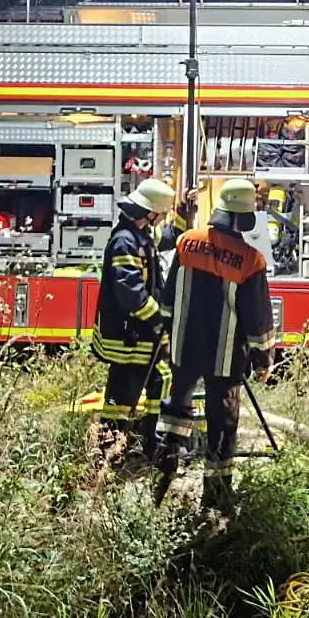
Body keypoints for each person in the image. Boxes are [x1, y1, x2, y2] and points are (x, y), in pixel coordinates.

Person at [153, 178, 277, 512]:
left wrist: (165, 332)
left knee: (175, 410)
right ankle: (217, 496)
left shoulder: (186, 243)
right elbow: (258, 319)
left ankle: (162, 475)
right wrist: (264, 358)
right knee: (223, 421)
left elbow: (167, 299)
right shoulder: (251, 260)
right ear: (244, 217)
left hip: (183, 348)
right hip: (224, 359)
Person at [94, 178, 195, 463]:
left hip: (139, 334)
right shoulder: (124, 242)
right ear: (149, 212)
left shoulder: (139, 235)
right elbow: (131, 294)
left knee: (160, 379)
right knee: (122, 396)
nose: (160, 219)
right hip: (128, 338)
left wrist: (184, 214)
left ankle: (152, 445)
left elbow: (168, 240)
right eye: (160, 214)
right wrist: (158, 320)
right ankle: (108, 452)